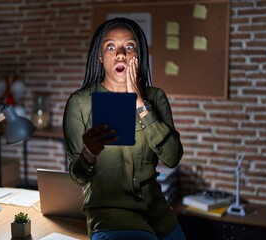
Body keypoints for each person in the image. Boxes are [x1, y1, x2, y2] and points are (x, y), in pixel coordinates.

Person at [63, 17, 186, 240]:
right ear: (100, 57)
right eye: (111, 47)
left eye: (129, 46)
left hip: (158, 214)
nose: (121, 53)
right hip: (111, 216)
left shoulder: (155, 98)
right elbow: (78, 176)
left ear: (138, 56)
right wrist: (89, 154)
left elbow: (173, 157)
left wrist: (139, 103)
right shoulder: (80, 103)